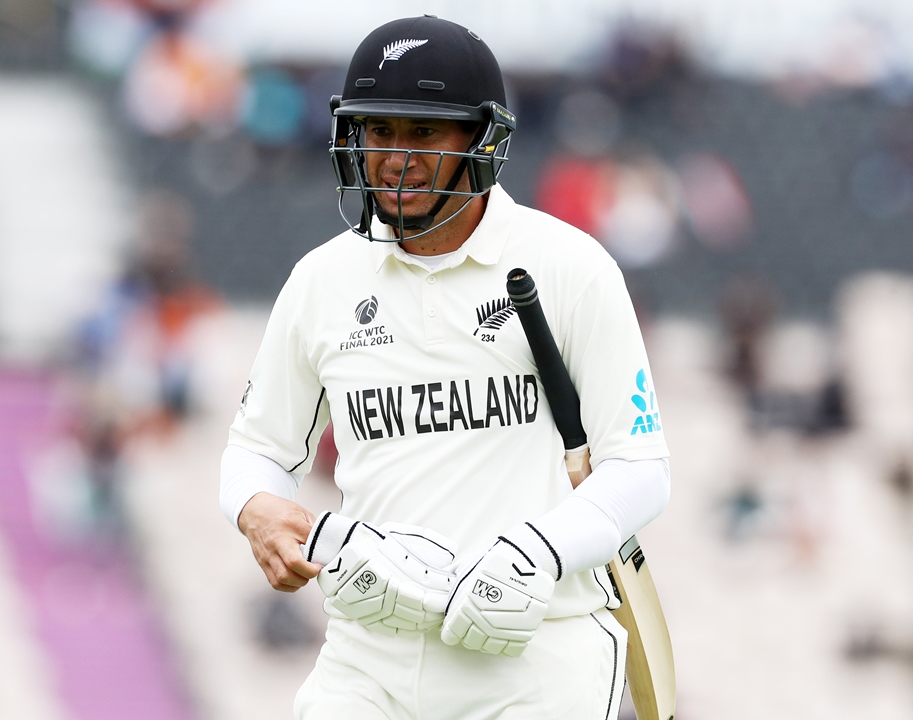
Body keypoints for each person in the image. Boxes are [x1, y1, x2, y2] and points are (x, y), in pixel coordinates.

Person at [220, 15, 671, 720]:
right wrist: (258, 509)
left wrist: (539, 552)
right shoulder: (321, 281)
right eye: (379, 131)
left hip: (535, 658)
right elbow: (258, 449)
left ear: (483, 140)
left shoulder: (571, 267)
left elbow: (640, 468)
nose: (395, 157)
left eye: (424, 133)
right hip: (367, 658)